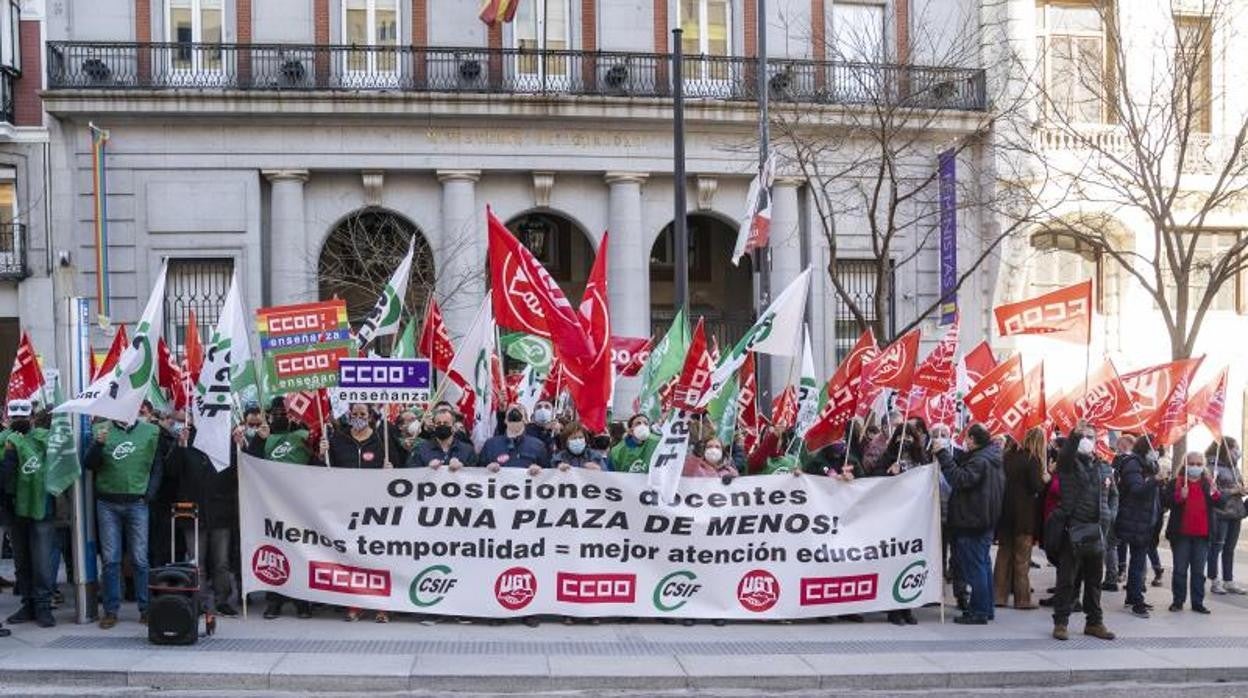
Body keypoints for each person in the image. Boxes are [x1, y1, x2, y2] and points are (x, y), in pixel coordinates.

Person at [85, 412, 169, 629]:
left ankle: (146, 609)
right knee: (111, 560)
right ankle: (111, 611)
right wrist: (98, 445)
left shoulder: (150, 431)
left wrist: (148, 495)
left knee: (140, 559)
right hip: (107, 503)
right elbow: (89, 465)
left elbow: (157, 467)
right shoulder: (100, 430)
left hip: (137, 503)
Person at [246, 398, 314, 620]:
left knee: (301, 551)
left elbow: (319, 464)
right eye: (276, 413)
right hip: (271, 506)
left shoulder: (304, 436)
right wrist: (258, 440)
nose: (281, 416)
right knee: (274, 552)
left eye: (284, 412)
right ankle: (274, 600)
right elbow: (250, 464)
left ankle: (302, 601)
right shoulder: (263, 437)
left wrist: (319, 446)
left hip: (299, 504)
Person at [1049, 422, 1117, 641]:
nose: (1086, 439)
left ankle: (1094, 622)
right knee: (1067, 579)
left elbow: (1114, 494)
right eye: (1083, 436)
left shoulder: (1104, 466)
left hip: (1097, 531)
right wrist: (1074, 436)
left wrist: (1109, 514)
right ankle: (1061, 622)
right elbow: (1065, 456)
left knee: (1095, 580)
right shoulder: (1068, 464)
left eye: (1090, 436)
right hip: (1074, 529)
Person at [166, 425, 238, 618]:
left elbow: (237, 473)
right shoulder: (186, 439)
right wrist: (180, 446)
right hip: (193, 513)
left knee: (221, 562)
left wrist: (239, 446)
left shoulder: (225, 439)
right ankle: (201, 602)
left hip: (220, 512)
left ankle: (222, 600)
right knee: (197, 563)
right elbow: (171, 471)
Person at [941, 423, 1005, 625]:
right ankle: (986, 608)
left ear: (974, 440)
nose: (964, 441)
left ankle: (978, 611)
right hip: (984, 520)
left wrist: (944, 457)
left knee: (976, 568)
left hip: (972, 521)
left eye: (967, 438)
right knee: (983, 565)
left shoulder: (980, 461)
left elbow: (960, 479)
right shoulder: (991, 458)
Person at [0, 400, 56, 627]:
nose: (19, 422)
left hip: (41, 508)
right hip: (14, 509)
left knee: (42, 561)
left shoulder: (45, 440)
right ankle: (28, 604)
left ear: (33, 417)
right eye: (15, 418)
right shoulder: (4, 442)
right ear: (8, 418)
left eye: (23, 418)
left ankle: (43, 605)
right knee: (22, 562)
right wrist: (11, 454)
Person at [995, 427, 1047, 610]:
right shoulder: (1032, 460)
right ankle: (1022, 599)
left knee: (1003, 555)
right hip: (1024, 515)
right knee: (1022, 558)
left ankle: (999, 596)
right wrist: (1045, 478)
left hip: (1005, 512)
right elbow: (1036, 487)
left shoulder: (1007, 457)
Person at [1166, 451, 1219, 614]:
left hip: (1202, 535)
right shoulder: (1177, 482)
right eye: (1192, 463)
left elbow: (1219, 502)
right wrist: (1179, 497)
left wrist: (1215, 494)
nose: (1195, 467)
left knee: (1198, 571)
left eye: (1198, 463)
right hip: (1181, 534)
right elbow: (1166, 501)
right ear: (1185, 465)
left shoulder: (1208, 483)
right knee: (1180, 569)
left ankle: (1198, 602)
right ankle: (1178, 601)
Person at [1116, 437, 1161, 617]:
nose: (1156, 450)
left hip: (1145, 521)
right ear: (1145, 447)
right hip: (1134, 520)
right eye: (1154, 447)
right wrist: (1155, 480)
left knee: (1139, 561)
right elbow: (1137, 490)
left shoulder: (1149, 465)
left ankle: (1133, 597)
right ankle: (1136, 601)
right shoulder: (1133, 464)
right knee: (1138, 563)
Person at [1206, 438, 1245, 595]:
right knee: (1217, 547)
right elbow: (1211, 492)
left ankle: (1229, 581)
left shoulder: (1234, 467)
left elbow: (1238, 484)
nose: (1237, 451)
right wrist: (1233, 491)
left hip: (1236, 512)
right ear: (1225, 449)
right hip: (1220, 513)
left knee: (1230, 548)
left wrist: (1242, 489)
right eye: (1235, 448)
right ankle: (1215, 581)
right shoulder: (1211, 466)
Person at [321, 403, 395, 470]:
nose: (358, 417)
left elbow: (397, 464)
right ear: (350, 416)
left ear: (369, 417)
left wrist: (389, 469)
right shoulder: (338, 438)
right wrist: (322, 455)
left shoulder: (381, 440)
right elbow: (327, 466)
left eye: (362, 414)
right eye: (355, 414)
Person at [479, 405, 549, 474]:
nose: (515, 411)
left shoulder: (538, 445)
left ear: (526, 420)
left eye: (519, 409)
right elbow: (477, 471)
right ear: (505, 420)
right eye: (511, 409)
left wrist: (539, 470)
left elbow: (549, 474)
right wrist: (487, 469)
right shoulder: (491, 444)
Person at [406, 407, 476, 470]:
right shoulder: (420, 449)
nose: (442, 425)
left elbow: (476, 475)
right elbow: (411, 474)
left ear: (454, 426)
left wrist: (463, 467)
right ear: (434, 426)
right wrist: (427, 469)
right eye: (438, 423)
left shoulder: (467, 450)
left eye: (446, 423)